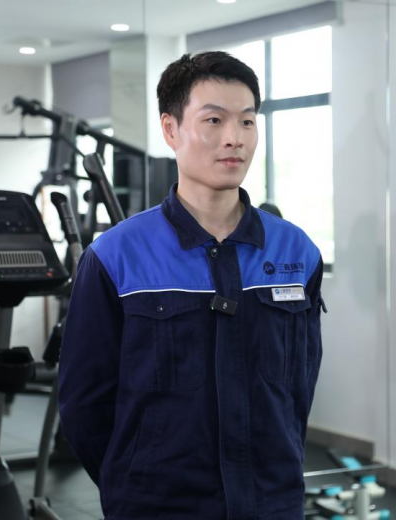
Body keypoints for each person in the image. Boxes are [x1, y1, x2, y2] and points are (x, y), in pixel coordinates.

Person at [58, 51, 325, 520]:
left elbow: (299, 388)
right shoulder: (115, 257)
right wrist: (133, 484)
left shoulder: (297, 252)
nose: (234, 138)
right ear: (171, 130)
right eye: (214, 120)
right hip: (157, 506)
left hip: (272, 502)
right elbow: (85, 405)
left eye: (247, 122)